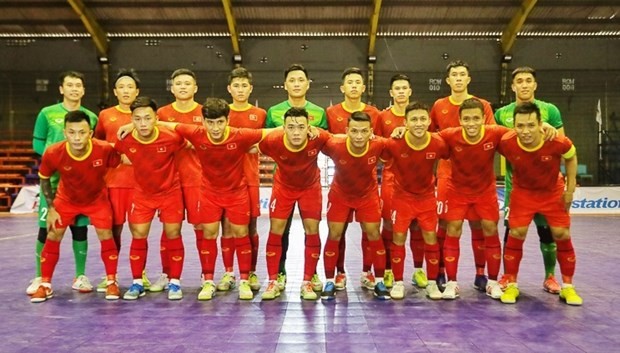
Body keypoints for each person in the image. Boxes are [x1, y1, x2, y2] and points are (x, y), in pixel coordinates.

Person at [154, 97, 268, 301]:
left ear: (228, 120)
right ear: (203, 121)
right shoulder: (195, 133)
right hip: (209, 193)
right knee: (209, 234)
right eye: (210, 122)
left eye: (220, 122)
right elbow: (166, 123)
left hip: (237, 193)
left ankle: (243, 281)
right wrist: (130, 124)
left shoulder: (239, 135)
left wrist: (310, 130)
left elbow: (271, 132)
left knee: (241, 233)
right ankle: (208, 281)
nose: (215, 128)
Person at [31, 111, 121, 303]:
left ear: (90, 133)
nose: (77, 137)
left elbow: (122, 160)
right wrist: (52, 208)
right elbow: (44, 179)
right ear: (65, 132)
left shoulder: (103, 149)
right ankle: (45, 284)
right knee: (53, 234)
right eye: (72, 132)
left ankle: (112, 281)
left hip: (97, 200)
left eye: (82, 132)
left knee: (106, 235)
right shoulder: (54, 152)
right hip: (66, 200)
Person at [497, 102, 582, 306]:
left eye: (531, 125)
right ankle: (511, 284)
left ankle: (568, 287)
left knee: (562, 234)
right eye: (520, 126)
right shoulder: (507, 141)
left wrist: (569, 190)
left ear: (540, 124)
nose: (525, 131)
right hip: (523, 194)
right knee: (516, 234)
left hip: (552, 193)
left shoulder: (555, 140)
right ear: (514, 126)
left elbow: (571, 158)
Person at [494, 66, 565, 294]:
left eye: (528, 81)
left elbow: (562, 146)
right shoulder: (501, 114)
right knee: (511, 233)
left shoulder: (550, 111)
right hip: (516, 188)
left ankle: (550, 277)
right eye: (519, 81)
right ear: (513, 86)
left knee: (547, 233)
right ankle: (508, 277)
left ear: (535, 85)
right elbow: (497, 141)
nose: (524, 85)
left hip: (546, 188)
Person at [28, 71, 98, 296]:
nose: (74, 89)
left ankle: (80, 276)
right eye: (70, 85)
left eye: (78, 85)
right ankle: (40, 277)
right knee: (45, 229)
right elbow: (38, 144)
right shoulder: (46, 114)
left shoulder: (91, 116)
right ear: (61, 89)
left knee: (80, 229)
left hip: (79, 184)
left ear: (83, 90)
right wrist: (59, 158)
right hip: (53, 180)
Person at [429, 60, 495, 291]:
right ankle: (440, 273)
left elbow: (493, 136)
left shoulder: (482, 105)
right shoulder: (438, 106)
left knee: (479, 225)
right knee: (444, 224)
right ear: (448, 80)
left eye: (462, 74)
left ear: (468, 79)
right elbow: (430, 139)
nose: (458, 78)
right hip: (448, 175)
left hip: (478, 177)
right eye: (454, 75)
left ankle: (480, 274)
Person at [114, 97, 186, 301]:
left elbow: (189, 144)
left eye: (148, 118)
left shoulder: (171, 137)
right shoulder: (124, 138)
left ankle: (175, 282)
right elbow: (115, 155)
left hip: (170, 192)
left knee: (173, 233)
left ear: (156, 118)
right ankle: (137, 282)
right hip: (142, 194)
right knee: (139, 234)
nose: (143, 123)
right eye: (137, 119)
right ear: (132, 119)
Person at [437, 98, 509, 300]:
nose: (471, 123)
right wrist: (401, 132)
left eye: (476, 118)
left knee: (490, 229)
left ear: (483, 119)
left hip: (485, 192)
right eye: (466, 119)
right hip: (457, 191)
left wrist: (545, 126)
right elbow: (425, 138)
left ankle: (492, 282)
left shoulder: (495, 133)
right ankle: (451, 283)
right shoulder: (450, 135)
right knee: (453, 230)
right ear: (459, 120)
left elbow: (521, 134)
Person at [266, 64, 328, 293]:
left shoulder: (320, 112)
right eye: (292, 80)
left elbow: (328, 140)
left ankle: (311, 276)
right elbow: (264, 138)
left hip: (309, 181)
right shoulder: (273, 111)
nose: (296, 84)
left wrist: (317, 132)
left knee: (311, 229)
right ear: (285, 85)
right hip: (282, 180)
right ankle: (278, 275)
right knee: (280, 230)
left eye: (301, 80)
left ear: (307, 84)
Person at [320, 111, 390, 301]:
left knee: (374, 234)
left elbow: (401, 143)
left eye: (363, 131)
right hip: (340, 195)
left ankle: (378, 280)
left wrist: (401, 130)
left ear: (371, 132)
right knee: (334, 234)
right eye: (354, 131)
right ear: (346, 131)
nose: (359, 136)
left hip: (367, 196)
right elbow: (319, 137)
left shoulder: (379, 144)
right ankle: (329, 280)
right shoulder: (334, 144)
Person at [382, 102, 448, 300]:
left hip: (427, 198)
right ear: (405, 122)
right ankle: (399, 282)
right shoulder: (394, 143)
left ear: (429, 121)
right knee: (398, 239)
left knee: (431, 239)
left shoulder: (438, 143)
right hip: (401, 198)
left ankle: (432, 283)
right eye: (413, 119)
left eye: (422, 119)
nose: (418, 123)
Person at [325, 67, 381, 291]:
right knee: (337, 233)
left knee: (371, 232)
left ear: (364, 87)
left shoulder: (375, 113)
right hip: (341, 184)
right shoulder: (331, 113)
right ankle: (337, 274)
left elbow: (383, 143)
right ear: (343, 87)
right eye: (350, 82)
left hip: (367, 186)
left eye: (358, 82)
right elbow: (325, 139)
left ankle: (368, 273)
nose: (354, 86)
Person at [149, 68, 205, 293]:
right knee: (169, 229)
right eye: (178, 83)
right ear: (172, 88)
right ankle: (167, 274)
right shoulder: (161, 113)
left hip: (197, 179)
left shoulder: (204, 112)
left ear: (195, 88)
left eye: (187, 83)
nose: (183, 86)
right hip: (168, 180)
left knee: (201, 228)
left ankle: (206, 275)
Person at [93, 68, 144, 292]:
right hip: (112, 182)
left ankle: (139, 275)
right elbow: (95, 145)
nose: (126, 91)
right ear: (115, 91)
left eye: (130, 87)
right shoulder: (105, 116)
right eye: (121, 87)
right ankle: (110, 276)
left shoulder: (145, 116)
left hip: (139, 183)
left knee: (138, 231)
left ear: (137, 91)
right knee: (113, 231)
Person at [376, 73, 427, 290]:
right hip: (391, 179)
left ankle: (418, 270)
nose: (401, 92)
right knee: (389, 225)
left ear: (410, 91)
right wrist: (393, 140)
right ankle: (388, 270)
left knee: (417, 227)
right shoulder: (382, 117)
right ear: (391, 93)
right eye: (397, 88)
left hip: (418, 180)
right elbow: (378, 148)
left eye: (404, 88)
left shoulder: (420, 116)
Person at [223, 67, 267, 292]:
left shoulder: (260, 115)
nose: (240, 90)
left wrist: (239, 145)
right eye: (236, 86)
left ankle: (250, 272)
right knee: (227, 227)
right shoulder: (221, 112)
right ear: (229, 88)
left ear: (250, 88)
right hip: (224, 179)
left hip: (250, 178)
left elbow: (265, 142)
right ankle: (229, 273)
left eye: (244, 86)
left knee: (250, 227)